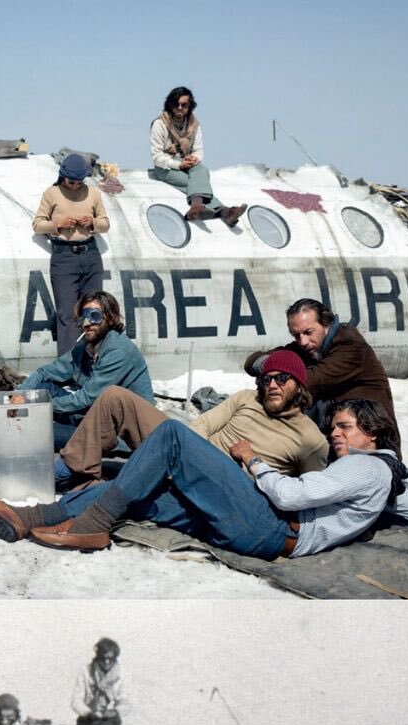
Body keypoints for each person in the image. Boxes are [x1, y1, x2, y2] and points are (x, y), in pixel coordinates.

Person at [0, 398, 408, 556]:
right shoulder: (382, 476)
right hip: (263, 534)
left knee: (169, 435)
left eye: (346, 428)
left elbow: (292, 496)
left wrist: (253, 460)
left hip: (272, 525)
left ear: (373, 433)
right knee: (145, 493)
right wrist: (395, 487)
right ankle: (31, 517)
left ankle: (91, 526)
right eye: (335, 428)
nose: (336, 435)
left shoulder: (362, 465)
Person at [54, 349, 327, 490]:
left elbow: (307, 492)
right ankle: (73, 470)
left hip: (221, 483)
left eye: (282, 378)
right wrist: (191, 453)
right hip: (189, 453)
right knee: (115, 396)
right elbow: (204, 424)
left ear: (299, 385)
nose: (272, 385)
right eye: (267, 379)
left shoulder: (310, 439)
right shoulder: (246, 398)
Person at [245, 298, 401, 452]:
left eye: (308, 332)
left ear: (326, 324)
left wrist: (279, 369)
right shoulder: (307, 346)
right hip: (336, 437)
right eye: (296, 335)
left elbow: (310, 380)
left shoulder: (350, 345)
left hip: (371, 443)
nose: (303, 341)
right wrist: (273, 365)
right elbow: (252, 362)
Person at [19, 290, 154, 450]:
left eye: (94, 316)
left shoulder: (119, 351)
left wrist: (39, 406)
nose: (86, 323)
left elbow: (85, 399)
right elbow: (45, 372)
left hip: (120, 429)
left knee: (43, 433)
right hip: (94, 414)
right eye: (83, 317)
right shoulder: (87, 347)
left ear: (110, 317)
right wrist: (19, 395)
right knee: (42, 388)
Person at [32, 153, 110, 356]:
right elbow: (38, 224)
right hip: (64, 256)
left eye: (78, 182)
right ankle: (69, 364)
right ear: (62, 176)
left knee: (93, 311)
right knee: (67, 313)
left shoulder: (93, 193)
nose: (75, 185)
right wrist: (58, 224)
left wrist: (91, 223)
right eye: (71, 181)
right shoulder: (52, 193)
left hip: (90, 254)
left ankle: (94, 360)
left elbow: (105, 223)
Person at [150, 86, 246, 225]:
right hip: (166, 168)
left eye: (184, 105)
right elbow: (157, 156)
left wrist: (194, 158)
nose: (179, 108)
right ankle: (224, 212)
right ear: (169, 105)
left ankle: (196, 208)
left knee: (202, 170)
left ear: (190, 106)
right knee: (195, 184)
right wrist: (178, 164)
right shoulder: (160, 124)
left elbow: (199, 150)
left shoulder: (194, 125)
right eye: (176, 104)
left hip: (186, 164)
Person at [71, 637, 130, 725]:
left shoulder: (120, 676)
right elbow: (76, 701)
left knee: (112, 722)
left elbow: (125, 702)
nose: (107, 661)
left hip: (109, 719)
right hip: (89, 718)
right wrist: (89, 712)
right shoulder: (86, 672)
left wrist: (114, 711)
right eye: (104, 658)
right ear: (98, 657)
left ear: (115, 658)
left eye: (111, 658)